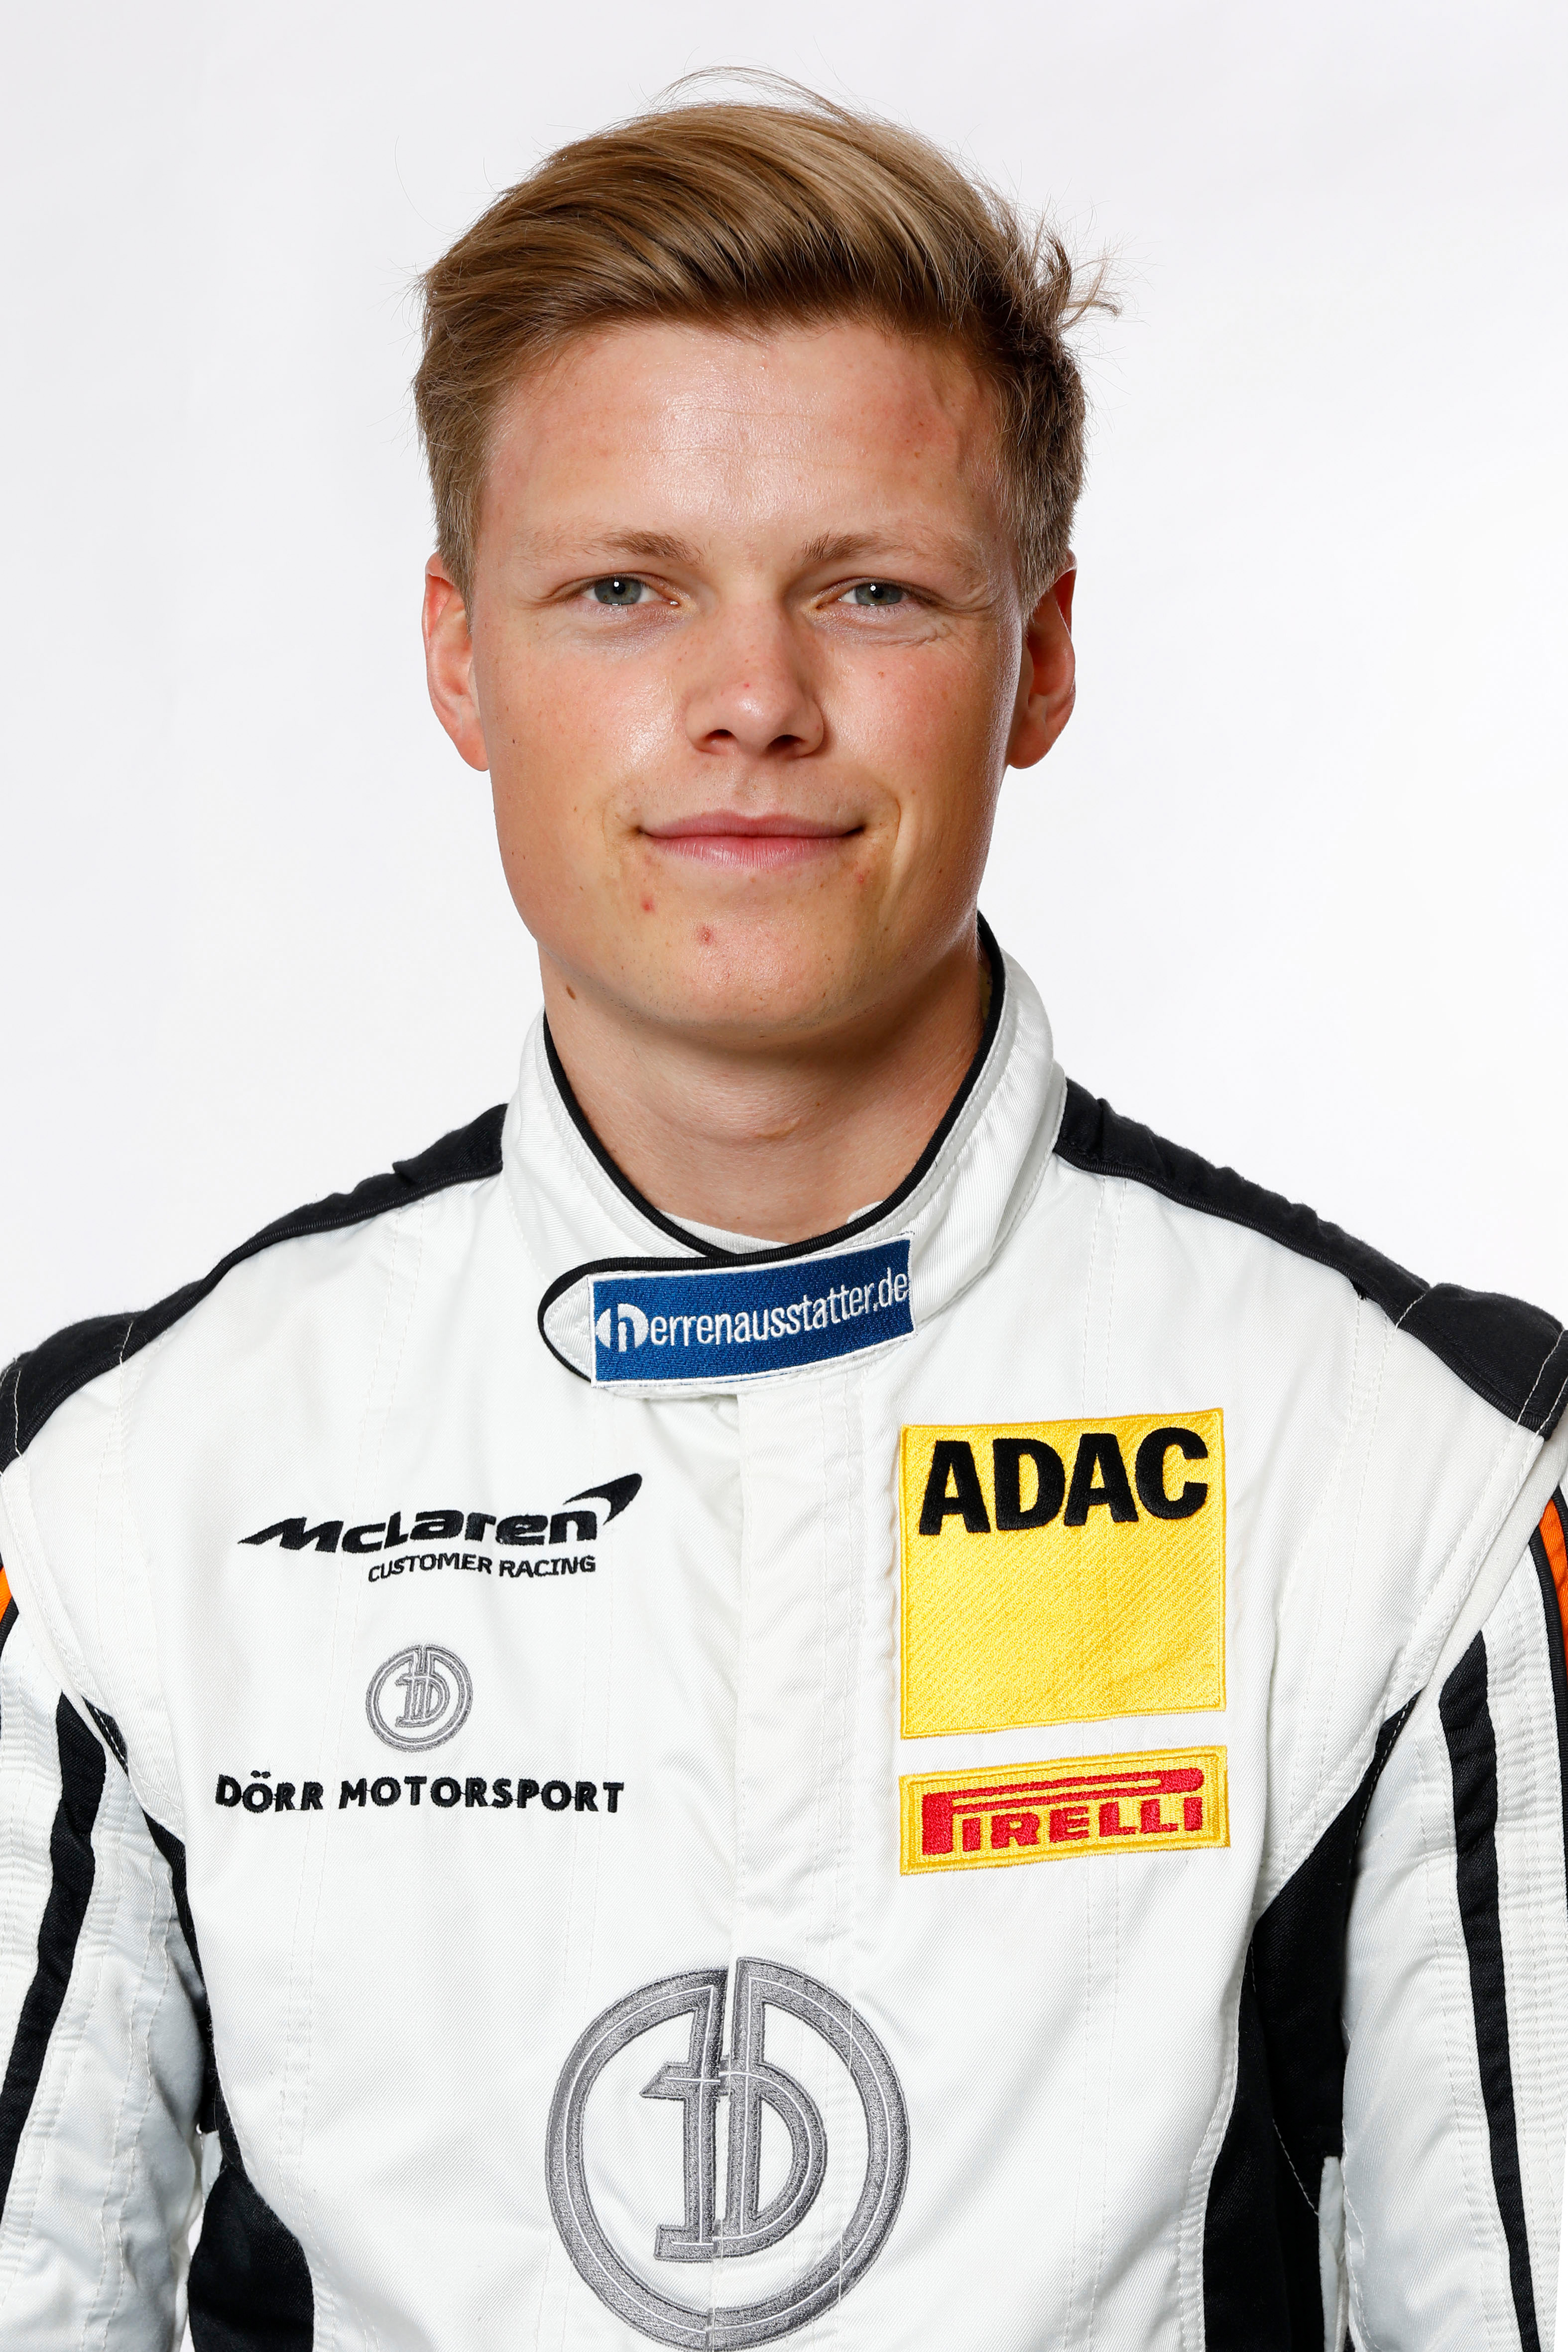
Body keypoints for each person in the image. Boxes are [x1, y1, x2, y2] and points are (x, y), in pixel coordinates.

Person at [0, 84, 1564, 2352]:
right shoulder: (124, 1493)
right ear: (459, 657)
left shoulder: (1420, 1470)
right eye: (622, 589)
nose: (750, 701)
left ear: (1037, 658)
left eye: (871, 589)